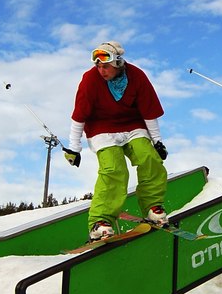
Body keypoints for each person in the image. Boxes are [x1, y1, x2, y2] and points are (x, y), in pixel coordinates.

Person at [63, 41, 169, 241]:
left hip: (133, 125)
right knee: (114, 169)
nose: (101, 71)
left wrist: (157, 142)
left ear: (118, 63)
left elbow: (149, 111)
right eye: (98, 66)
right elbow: (79, 115)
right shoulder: (89, 80)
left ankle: (152, 207)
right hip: (101, 128)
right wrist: (73, 148)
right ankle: (100, 221)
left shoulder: (137, 76)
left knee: (149, 158)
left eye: (106, 66)